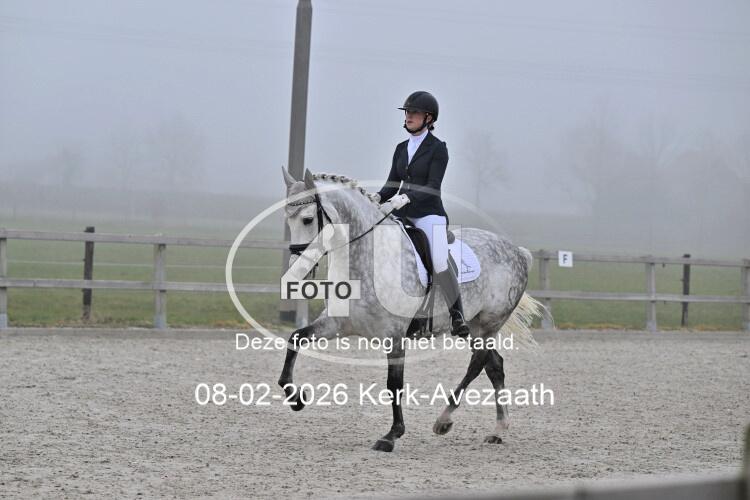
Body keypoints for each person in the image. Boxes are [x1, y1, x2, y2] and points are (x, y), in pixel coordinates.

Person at [372, 91, 470, 338]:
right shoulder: (400, 148)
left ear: (429, 118)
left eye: (414, 113)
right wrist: (377, 198)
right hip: (403, 213)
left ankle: (457, 315)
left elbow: (433, 186)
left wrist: (407, 197)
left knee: (438, 259)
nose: (409, 116)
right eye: (407, 112)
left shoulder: (438, 149)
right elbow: (391, 184)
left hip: (429, 214)